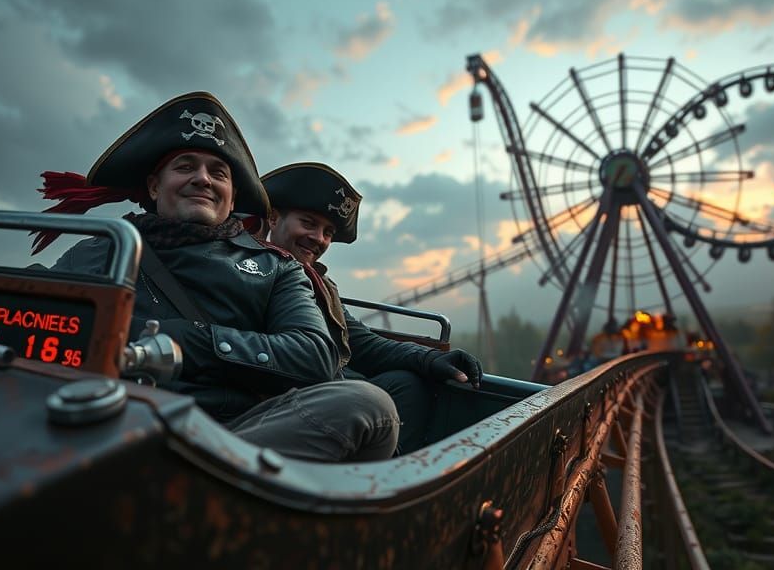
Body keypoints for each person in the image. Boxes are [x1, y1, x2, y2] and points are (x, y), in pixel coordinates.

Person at [34, 92, 398, 462]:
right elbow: (29, 314)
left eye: (218, 173)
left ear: (232, 194)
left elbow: (314, 354)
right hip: (111, 419)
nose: (202, 179)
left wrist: (190, 341)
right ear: (155, 186)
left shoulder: (276, 267)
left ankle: (190, 479)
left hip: (232, 435)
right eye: (185, 167)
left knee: (369, 404)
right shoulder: (106, 248)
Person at [259, 162, 482, 454]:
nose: (319, 239)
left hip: (326, 384)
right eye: (308, 223)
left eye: (328, 232)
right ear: (274, 219)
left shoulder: (321, 285)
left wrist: (428, 358)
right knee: (367, 398)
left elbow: (361, 342)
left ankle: (393, 476)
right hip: (284, 388)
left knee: (407, 384)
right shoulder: (256, 271)